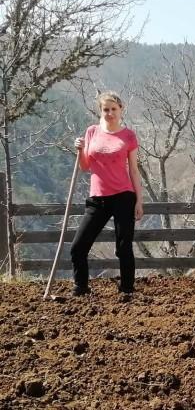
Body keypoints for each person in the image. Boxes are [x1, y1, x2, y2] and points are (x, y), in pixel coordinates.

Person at [71, 91, 143, 296]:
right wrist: (80, 149)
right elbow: (85, 166)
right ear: (100, 111)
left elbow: (134, 171)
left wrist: (139, 201)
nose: (110, 113)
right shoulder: (92, 131)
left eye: (113, 109)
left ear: (121, 110)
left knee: (123, 247)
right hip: (97, 197)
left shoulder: (128, 135)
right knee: (78, 246)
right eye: (106, 109)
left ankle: (127, 289)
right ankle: (81, 288)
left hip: (123, 196)